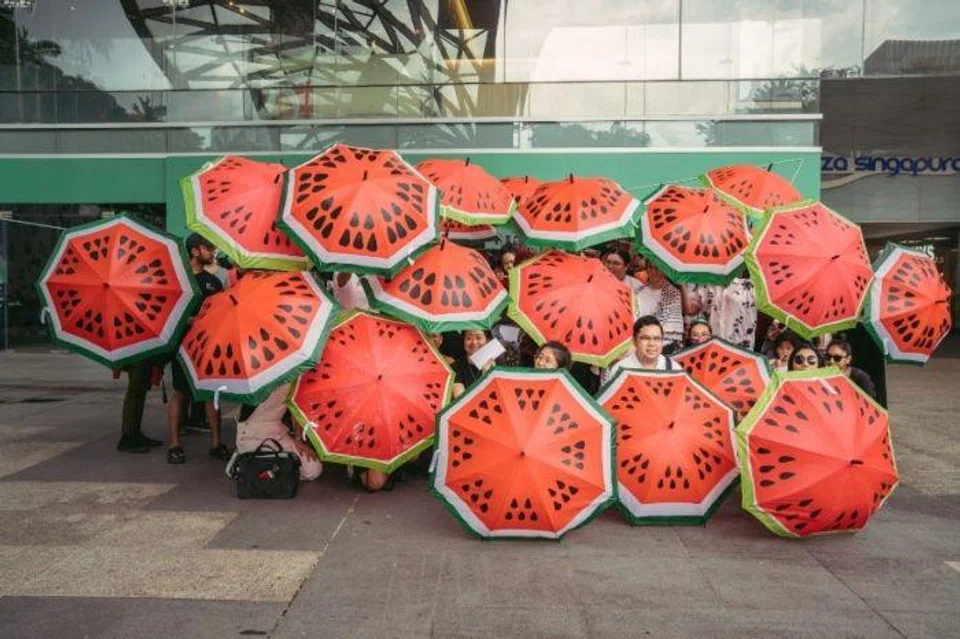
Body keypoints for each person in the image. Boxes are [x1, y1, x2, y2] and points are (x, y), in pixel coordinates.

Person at [166, 234, 228, 465]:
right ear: (194, 251)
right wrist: (189, 320)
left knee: (212, 395)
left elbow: (222, 313)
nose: (212, 252)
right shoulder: (177, 282)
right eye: (208, 247)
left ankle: (216, 444)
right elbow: (168, 315)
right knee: (180, 394)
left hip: (209, 347)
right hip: (182, 348)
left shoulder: (214, 282)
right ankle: (174, 445)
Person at [234, 386, 322, 481]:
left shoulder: (294, 378)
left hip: (278, 432)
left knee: (313, 470)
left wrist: (298, 440)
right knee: (265, 468)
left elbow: (296, 409)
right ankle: (243, 461)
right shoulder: (257, 379)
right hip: (251, 433)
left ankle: (259, 467)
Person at [683, 277, 758, 350]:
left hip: (740, 346)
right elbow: (691, 309)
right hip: (714, 344)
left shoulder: (751, 287)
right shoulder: (708, 286)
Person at [601, 316, 675, 384]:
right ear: (634, 341)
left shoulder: (673, 368)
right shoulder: (619, 370)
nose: (651, 343)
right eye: (645, 338)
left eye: (657, 338)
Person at [115, 359, 164, 453]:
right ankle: (128, 436)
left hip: (144, 355)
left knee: (140, 389)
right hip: (138, 356)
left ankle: (135, 432)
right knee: (135, 390)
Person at [634, 261, 684, 352]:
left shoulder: (673, 294)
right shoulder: (637, 292)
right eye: (650, 267)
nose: (653, 272)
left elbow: (671, 330)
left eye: (657, 268)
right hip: (638, 342)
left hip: (663, 345)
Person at [451, 329, 495, 396]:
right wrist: (485, 377)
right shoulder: (454, 368)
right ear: (463, 341)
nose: (474, 342)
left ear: (487, 341)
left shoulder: (497, 366)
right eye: (468, 338)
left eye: (478, 338)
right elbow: (461, 401)